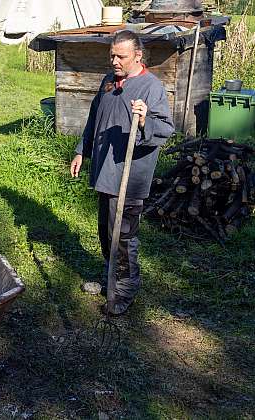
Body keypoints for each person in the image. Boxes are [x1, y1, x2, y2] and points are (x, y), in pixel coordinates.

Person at [70, 30, 174, 315]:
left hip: (130, 175)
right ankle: (111, 280)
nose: (114, 61)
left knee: (124, 237)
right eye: (112, 55)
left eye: (121, 56)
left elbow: (166, 129)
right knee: (106, 231)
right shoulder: (108, 81)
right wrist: (82, 150)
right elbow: (95, 117)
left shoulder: (151, 87)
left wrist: (144, 121)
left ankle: (124, 292)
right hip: (106, 171)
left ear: (137, 56)